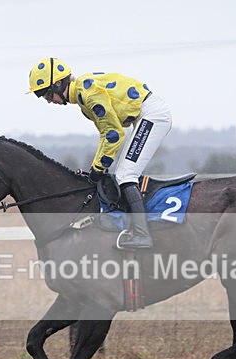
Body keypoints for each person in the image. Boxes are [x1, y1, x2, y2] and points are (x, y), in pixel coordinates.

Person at [28, 57, 172, 249]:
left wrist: (97, 169)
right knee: (123, 173)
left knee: (126, 175)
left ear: (59, 84)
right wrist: (97, 168)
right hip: (145, 115)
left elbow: (114, 134)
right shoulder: (83, 96)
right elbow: (106, 135)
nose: (48, 101)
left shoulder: (88, 94)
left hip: (152, 115)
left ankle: (142, 234)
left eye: (47, 94)